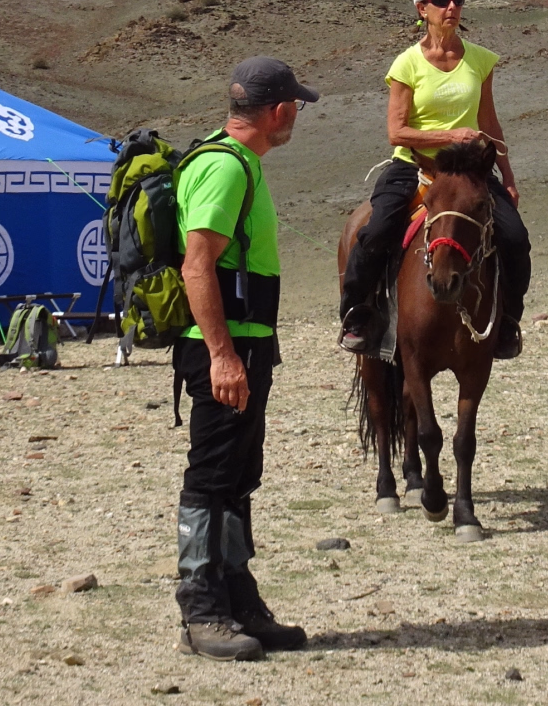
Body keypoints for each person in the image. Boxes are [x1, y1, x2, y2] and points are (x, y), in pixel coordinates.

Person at [172, 57, 317, 661]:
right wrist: (222, 356)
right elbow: (197, 266)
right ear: (278, 111)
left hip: (246, 343)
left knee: (237, 473)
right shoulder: (226, 168)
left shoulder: (238, 163)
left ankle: (238, 601)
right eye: (295, 107)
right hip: (224, 347)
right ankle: (201, 610)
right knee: (211, 475)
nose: (296, 117)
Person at [338, 0, 530, 360]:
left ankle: (508, 321)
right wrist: (451, 134)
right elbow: (396, 132)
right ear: (422, 9)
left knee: (514, 237)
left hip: (470, 170)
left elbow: (489, 123)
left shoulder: (480, 60)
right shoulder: (406, 64)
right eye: (441, 1)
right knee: (375, 231)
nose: (451, 7)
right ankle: (357, 315)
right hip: (414, 165)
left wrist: (508, 176)